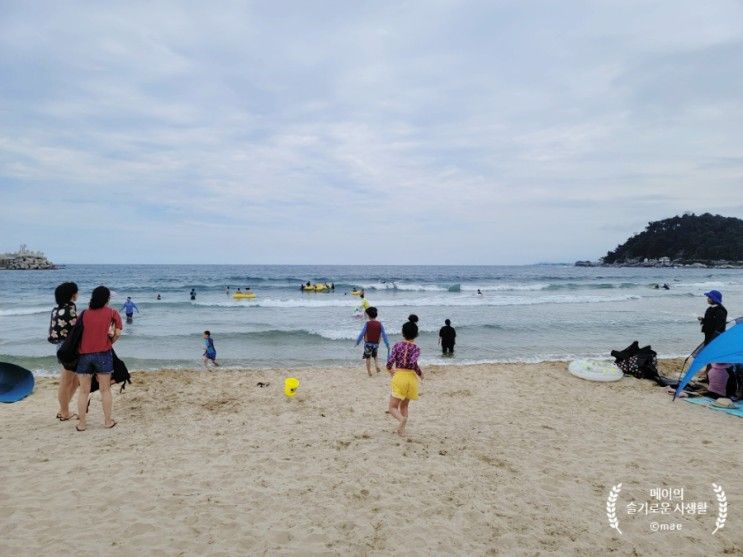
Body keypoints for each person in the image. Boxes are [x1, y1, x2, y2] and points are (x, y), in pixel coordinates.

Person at [75, 286, 122, 431]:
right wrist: (110, 342)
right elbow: (118, 333)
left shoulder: (83, 314)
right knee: (105, 390)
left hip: (83, 356)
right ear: (107, 298)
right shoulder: (112, 313)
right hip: (103, 354)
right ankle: (107, 422)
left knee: (83, 391)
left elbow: (76, 334)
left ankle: (82, 424)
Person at [48, 282, 80, 421]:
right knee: (66, 381)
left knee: (75, 381)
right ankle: (65, 412)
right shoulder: (70, 310)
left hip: (60, 348)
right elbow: (78, 330)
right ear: (72, 295)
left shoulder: (56, 310)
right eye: (76, 292)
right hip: (69, 349)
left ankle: (64, 408)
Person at [386, 318, 423, 436]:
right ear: (416, 334)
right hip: (411, 379)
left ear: (402, 333)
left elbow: (389, 363)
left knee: (392, 407)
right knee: (405, 405)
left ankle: (402, 420)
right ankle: (402, 430)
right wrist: (420, 374)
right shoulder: (416, 348)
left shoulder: (397, 346)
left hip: (400, 377)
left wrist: (391, 371)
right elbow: (413, 364)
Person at [355, 307, 390, 376]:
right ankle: (377, 365)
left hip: (368, 344)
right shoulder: (379, 324)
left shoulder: (367, 324)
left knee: (368, 358)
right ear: (376, 315)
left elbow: (362, 334)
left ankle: (369, 372)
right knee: (375, 356)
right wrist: (387, 344)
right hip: (376, 344)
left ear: (368, 316)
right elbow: (384, 335)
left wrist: (357, 342)